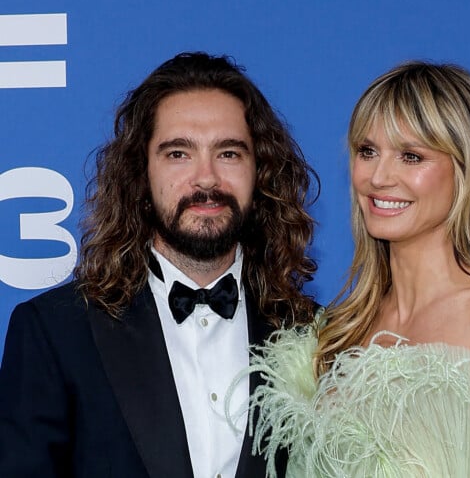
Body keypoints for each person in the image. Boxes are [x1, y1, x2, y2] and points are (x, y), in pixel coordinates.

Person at [249, 61, 470, 477]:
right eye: (367, 151)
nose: (379, 177)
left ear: (466, 171)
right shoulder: (339, 331)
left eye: (411, 156)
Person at [0, 52, 319, 478]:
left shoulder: (313, 336)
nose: (206, 179)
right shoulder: (55, 332)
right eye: (178, 154)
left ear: (260, 173)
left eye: (228, 153)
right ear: (140, 174)